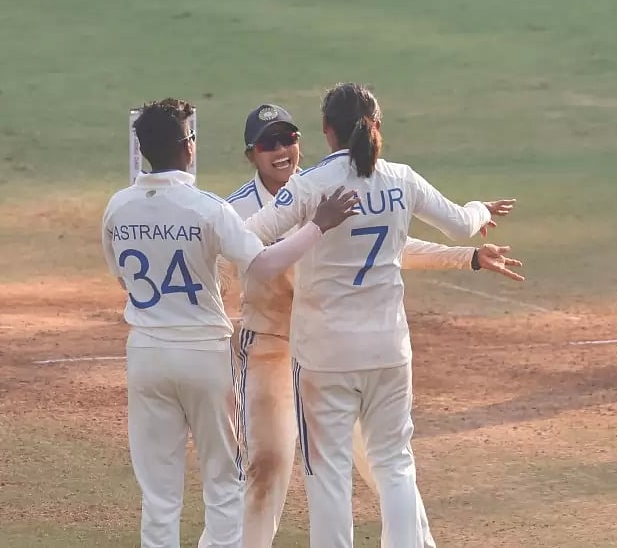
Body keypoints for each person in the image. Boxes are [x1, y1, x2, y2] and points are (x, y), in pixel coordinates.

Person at [225, 103, 522, 548]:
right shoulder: (395, 177)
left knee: (333, 469)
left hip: (322, 352)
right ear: (251, 154)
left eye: (288, 138)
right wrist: (477, 215)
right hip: (337, 347)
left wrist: (470, 257)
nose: (282, 149)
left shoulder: (312, 185)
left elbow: (243, 245)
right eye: (269, 143)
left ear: (323, 132)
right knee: (375, 464)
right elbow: (457, 222)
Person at [100, 98, 358, 548]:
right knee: (223, 483)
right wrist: (318, 225)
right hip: (203, 351)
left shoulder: (117, 207)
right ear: (188, 148)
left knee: (159, 495)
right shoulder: (209, 208)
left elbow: (119, 273)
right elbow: (261, 265)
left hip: (144, 351)